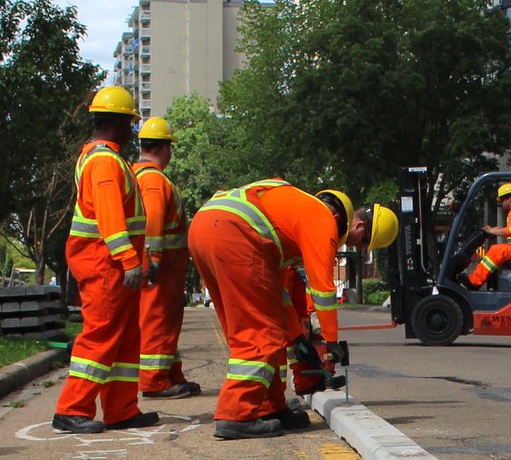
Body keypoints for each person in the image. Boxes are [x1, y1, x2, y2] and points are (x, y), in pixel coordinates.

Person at [186, 181, 397, 438]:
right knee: (261, 333)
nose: (359, 249)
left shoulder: (291, 217)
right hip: (233, 234)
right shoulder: (322, 220)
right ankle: (236, 414)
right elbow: (323, 290)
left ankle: (268, 406)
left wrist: (297, 337)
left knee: (260, 327)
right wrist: (331, 344)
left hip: (206, 228)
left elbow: (278, 292)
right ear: (357, 225)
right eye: (364, 242)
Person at [53, 87, 152, 434]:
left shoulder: (98, 158)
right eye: (131, 123)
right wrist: (128, 260)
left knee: (124, 337)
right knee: (101, 334)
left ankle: (121, 409)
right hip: (104, 263)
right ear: (120, 123)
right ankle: (71, 409)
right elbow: (111, 217)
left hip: (107, 261)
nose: (133, 131)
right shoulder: (105, 162)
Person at [130, 116, 200, 399]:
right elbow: (154, 220)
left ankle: (171, 374)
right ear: (166, 148)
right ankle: (154, 380)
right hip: (162, 265)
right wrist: (156, 258)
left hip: (160, 264)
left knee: (165, 322)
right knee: (158, 320)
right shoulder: (154, 179)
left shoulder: (138, 175)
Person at [464, 181, 511, 288]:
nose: (501, 204)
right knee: (496, 251)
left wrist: (492, 231)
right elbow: (510, 229)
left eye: (502, 200)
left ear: (509, 199)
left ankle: (474, 282)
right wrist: (492, 229)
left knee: (496, 250)